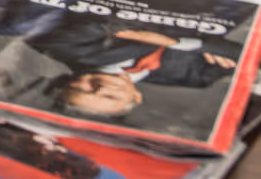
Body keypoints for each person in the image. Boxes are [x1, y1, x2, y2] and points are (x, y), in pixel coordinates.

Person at [36, 26, 243, 120]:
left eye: (87, 91)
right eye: (109, 96)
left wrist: (202, 46)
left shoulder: (69, 48)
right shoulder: (195, 78)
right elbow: (242, 54)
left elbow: (108, 22)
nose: (102, 88)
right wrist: (175, 42)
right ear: (136, 97)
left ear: (72, 83)